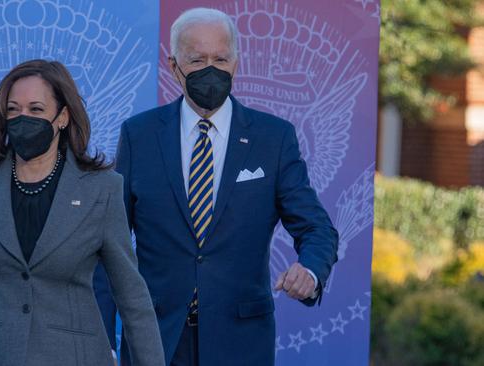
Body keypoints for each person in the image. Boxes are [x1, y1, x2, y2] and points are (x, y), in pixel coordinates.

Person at [96, 8, 339, 366]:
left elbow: (317, 227)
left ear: (236, 63)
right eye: (197, 59)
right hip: (156, 340)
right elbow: (109, 243)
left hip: (241, 343)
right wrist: (103, 342)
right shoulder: (139, 135)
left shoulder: (273, 138)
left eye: (220, 58)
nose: (211, 70)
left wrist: (310, 270)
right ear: (173, 65)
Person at [0, 59, 164, 366]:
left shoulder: (102, 189)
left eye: (35, 109)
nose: (23, 119)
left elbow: (132, 297)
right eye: (13, 110)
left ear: (62, 117)